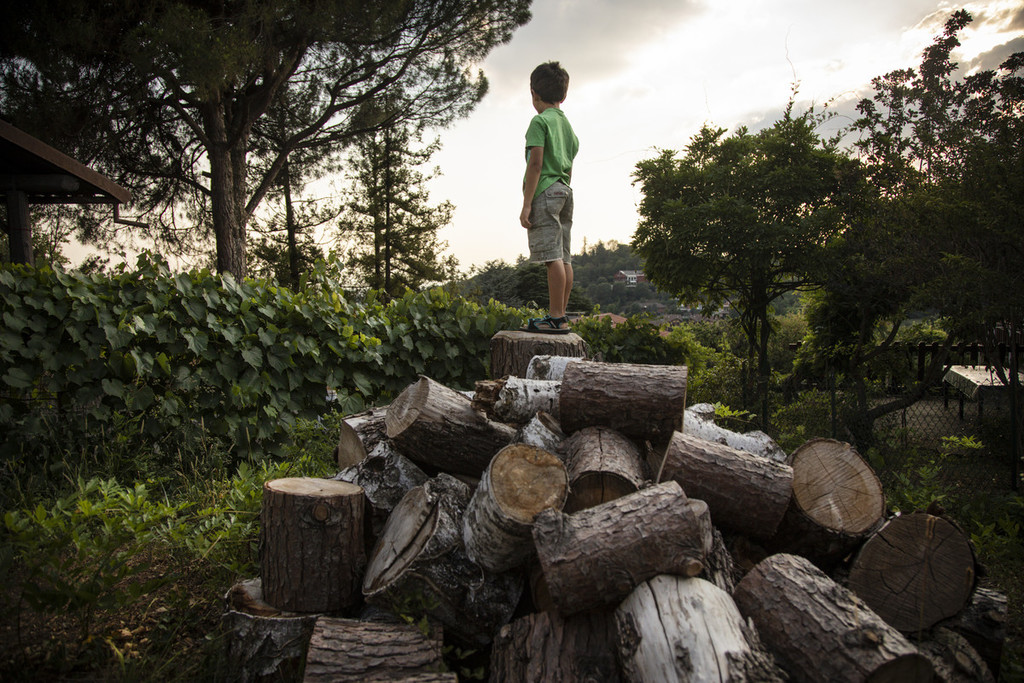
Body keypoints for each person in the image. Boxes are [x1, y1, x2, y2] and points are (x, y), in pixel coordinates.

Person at [519, 61, 579, 334]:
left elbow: (536, 164)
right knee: (564, 256)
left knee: (551, 256)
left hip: (545, 190)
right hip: (565, 190)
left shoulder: (539, 122)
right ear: (563, 96)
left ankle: (555, 317)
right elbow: (569, 166)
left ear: (534, 93)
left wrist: (527, 203)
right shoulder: (567, 127)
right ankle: (562, 315)